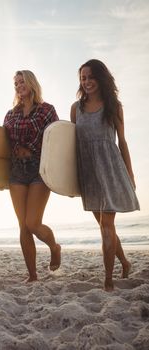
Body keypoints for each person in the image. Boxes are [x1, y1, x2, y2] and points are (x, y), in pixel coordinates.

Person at [70, 59, 140, 291]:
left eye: (91, 77)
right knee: (104, 225)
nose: (87, 82)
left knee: (107, 225)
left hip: (110, 169)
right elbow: (71, 144)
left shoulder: (113, 106)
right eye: (83, 78)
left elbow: (123, 141)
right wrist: (70, 179)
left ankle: (108, 279)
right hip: (88, 172)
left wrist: (130, 174)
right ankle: (125, 262)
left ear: (100, 78)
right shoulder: (75, 109)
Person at [4, 70, 61, 282]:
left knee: (33, 223)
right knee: (22, 226)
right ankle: (33, 275)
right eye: (16, 83)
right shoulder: (10, 115)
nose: (19, 86)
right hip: (17, 170)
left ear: (31, 83)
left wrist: (58, 174)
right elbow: (4, 146)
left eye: (22, 82)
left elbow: (57, 140)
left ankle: (54, 247)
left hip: (39, 169)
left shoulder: (46, 110)